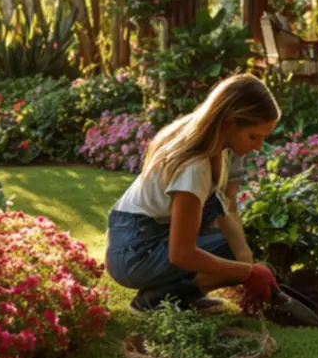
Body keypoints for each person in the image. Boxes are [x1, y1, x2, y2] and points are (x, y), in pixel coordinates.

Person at [105, 74, 281, 313]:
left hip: (148, 237)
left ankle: (177, 293)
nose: (259, 146)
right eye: (253, 136)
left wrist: (245, 261)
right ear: (230, 122)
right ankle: (157, 300)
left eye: (263, 137)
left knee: (234, 250)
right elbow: (181, 253)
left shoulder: (218, 146)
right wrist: (247, 272)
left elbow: (226, 207)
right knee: (231, 260)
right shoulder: (194, 166)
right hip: (134, 252)